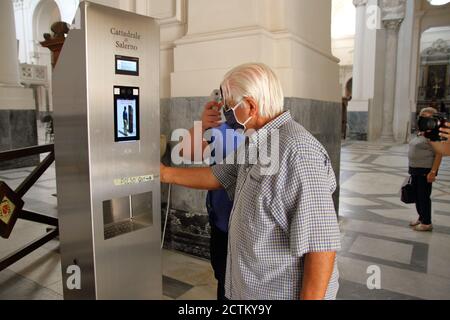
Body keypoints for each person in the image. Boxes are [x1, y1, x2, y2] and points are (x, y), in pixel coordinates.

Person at [161, 63, 341, 300]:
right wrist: (162, 173)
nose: (225, 111)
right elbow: (217, 174)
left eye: (229, 106)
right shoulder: (257, 142)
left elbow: (321, 245)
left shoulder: (298, 152)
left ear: (251, 106)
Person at [181, 100, 245, 300]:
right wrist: (201, 125)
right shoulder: (221, 128)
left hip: (247, 228)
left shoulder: (263, 132)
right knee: (223, 278)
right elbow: (186, 152)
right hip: (221, 221)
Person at [408, 107, 443, 232]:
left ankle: (427, 223)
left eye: (428, 116)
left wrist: (433, 172)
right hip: (415, 169)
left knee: (423, 197)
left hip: (425, 170)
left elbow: (439, 154)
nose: (424, 119)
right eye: (422, 116)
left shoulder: (433, 135)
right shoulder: (422, 132)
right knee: (417, 196)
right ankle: (421, 217)